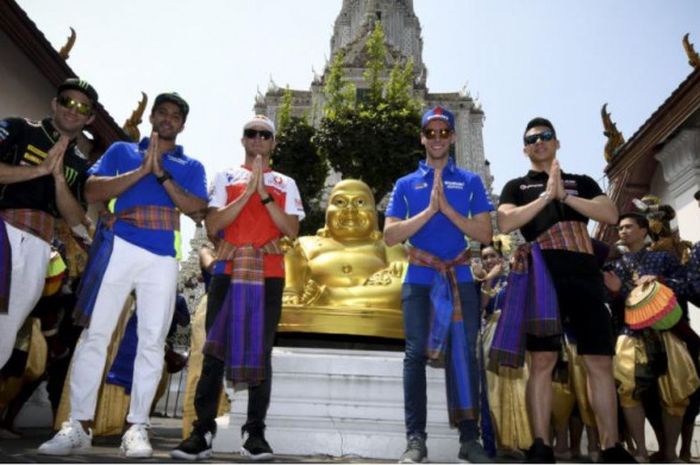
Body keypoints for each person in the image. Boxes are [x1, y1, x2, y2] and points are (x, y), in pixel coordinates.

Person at [38, 92, 208, 458]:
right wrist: (141, 171)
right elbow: (91, 190)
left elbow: (197, 209)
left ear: (182, 125)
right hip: (118, 247)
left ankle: (138, 427)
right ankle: (78, 425)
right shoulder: (121, 152)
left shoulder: (190, 165)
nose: (167, 119)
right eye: (161, 112)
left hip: (161, 257)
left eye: (175, 115)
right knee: (94, 334)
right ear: (151, 117)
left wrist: (161, 176)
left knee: (151, 341)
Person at [493, 117, 634, 463]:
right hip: (543, 276)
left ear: (557, 143)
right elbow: (507, 221)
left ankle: (611, 447)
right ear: (525, 149)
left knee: (599, 360)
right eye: (532, 139)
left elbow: (611, 214)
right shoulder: (516, 186)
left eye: (546, 136)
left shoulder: (582, 182)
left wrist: (566, 197)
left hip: (585, 275)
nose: (539, 142)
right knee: (542, 360)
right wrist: (546, 196)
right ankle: (541, 446)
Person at [171, 115, 304, 461]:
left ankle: (254, 431)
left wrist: (263, 195)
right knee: (214, 349)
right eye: (252, 134)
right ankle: (202, 429)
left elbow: (290, 230)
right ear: (243, 139)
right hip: (229, 268)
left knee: (261, 350)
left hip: (269, 271)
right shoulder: (224, 177)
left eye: (265, 135)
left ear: (273, 143)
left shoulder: (285, 183)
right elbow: (214, 225)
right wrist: (246, 193)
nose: (258, 139)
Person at [384, 106, 494, 463]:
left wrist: (447, 210)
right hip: (420, 276)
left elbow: (485, 233)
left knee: (464, 352)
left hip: (459, 276)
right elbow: (389, 236)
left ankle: (469, 438)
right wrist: (429, 211)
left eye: (443, 132)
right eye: (430, 133)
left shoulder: (471, 181)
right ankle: (415, 439)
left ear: (453, 137)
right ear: (422, 138)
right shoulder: (405, 183)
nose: (436, 139)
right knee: (415, 355)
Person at [0, 78, 96, 371]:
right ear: (55, 104)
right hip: (3, 231)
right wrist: (40, 169)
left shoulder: (80, 163)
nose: (73, 110)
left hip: (41, 247)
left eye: (82, 107)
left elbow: (76, 218)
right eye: (67, 101)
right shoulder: (19, 128)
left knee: (7, 330)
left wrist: (57, 180)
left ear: (89, 118)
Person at [604, 212, 700, 462]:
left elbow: (689, 287)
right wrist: (615, 293)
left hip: (667, 332)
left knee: (676, 392)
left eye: (628, 227)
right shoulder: (615, 266)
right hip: (629, 333)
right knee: (628, 390)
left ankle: (669, 452)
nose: (622, 231)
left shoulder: (664, 258)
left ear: (644, 230)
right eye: (619, 228)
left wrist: (660, 281)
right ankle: (642, 453)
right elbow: (612, 304)